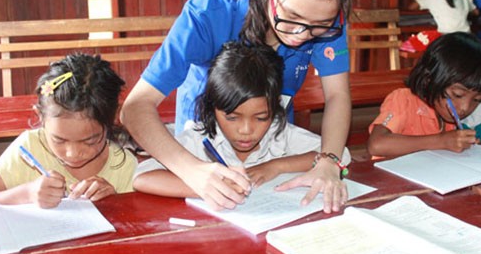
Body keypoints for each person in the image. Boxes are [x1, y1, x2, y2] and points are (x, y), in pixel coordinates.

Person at [120, 0, 357, 213]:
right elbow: (135, 107)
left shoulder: (329, 20)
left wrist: (328, 162)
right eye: (293, 18)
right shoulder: (210, 11)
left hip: (271, 137)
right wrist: (192, 172)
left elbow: (337, 95)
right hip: (204, 141)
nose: (301, 35)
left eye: (318, 26)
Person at [132, 42, 351, 198]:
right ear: (213, 109)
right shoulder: (199, 138)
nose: (246, 130)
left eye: (261, 117)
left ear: (276, 109)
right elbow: (142, 177)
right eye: (232, 117)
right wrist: (205, 186)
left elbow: (342, 156)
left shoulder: (279, 133)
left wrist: (276, 166)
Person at [0, 53, 137, 208]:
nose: (72, 153)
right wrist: (27, 193)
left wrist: (114, 202)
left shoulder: (123, 165)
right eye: (59, 140)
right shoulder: (28, 148)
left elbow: (136, 219)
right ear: (41, 117)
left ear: (111, 120)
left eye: (90, 141)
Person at [367, 32, 481, 159]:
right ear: (429, 80)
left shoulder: (448, 115)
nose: (465, 107)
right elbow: (376, 145)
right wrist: (441, 141)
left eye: (477, 100)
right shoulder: (404, 100)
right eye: (457, 95)